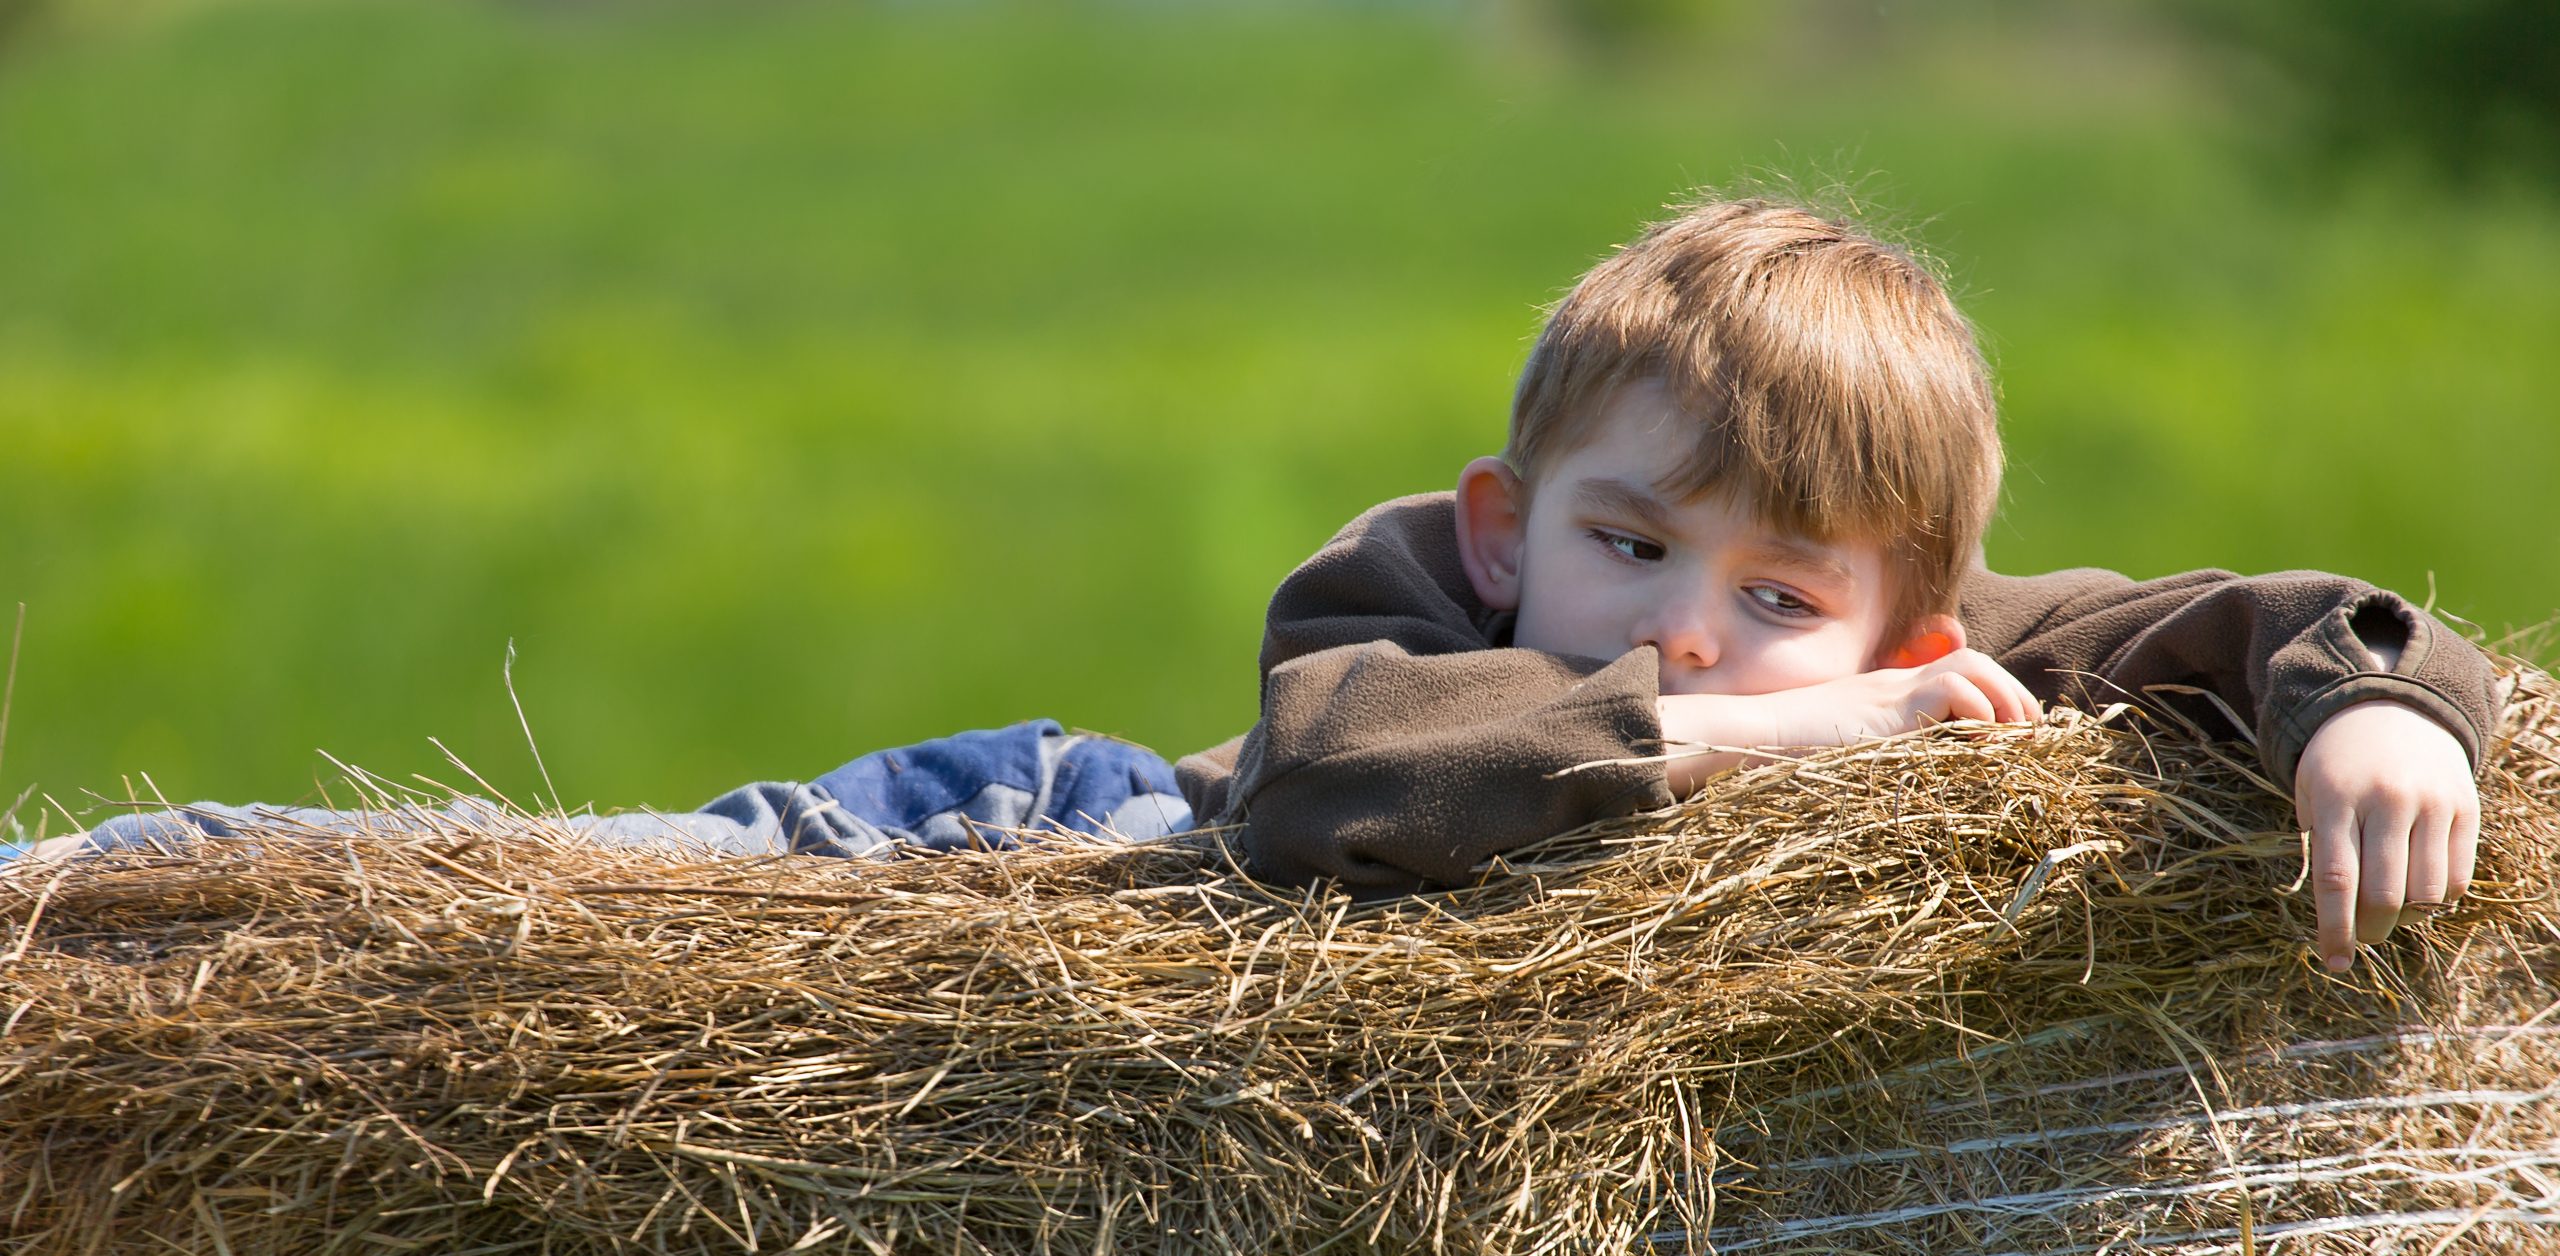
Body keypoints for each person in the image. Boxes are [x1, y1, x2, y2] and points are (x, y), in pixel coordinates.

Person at [14, 198, 2495, 978]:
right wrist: (1782, 725)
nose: (1677, 622)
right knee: (551, 906)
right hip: (1033, 834)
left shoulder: (1939, 658)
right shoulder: (1410, 602)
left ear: (1913, 616)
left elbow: (2260, 617)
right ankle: (98, 891)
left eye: (1773, 595)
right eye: (1626, 546)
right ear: (1512, 523)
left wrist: (2378, 712)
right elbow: (1333, 797)